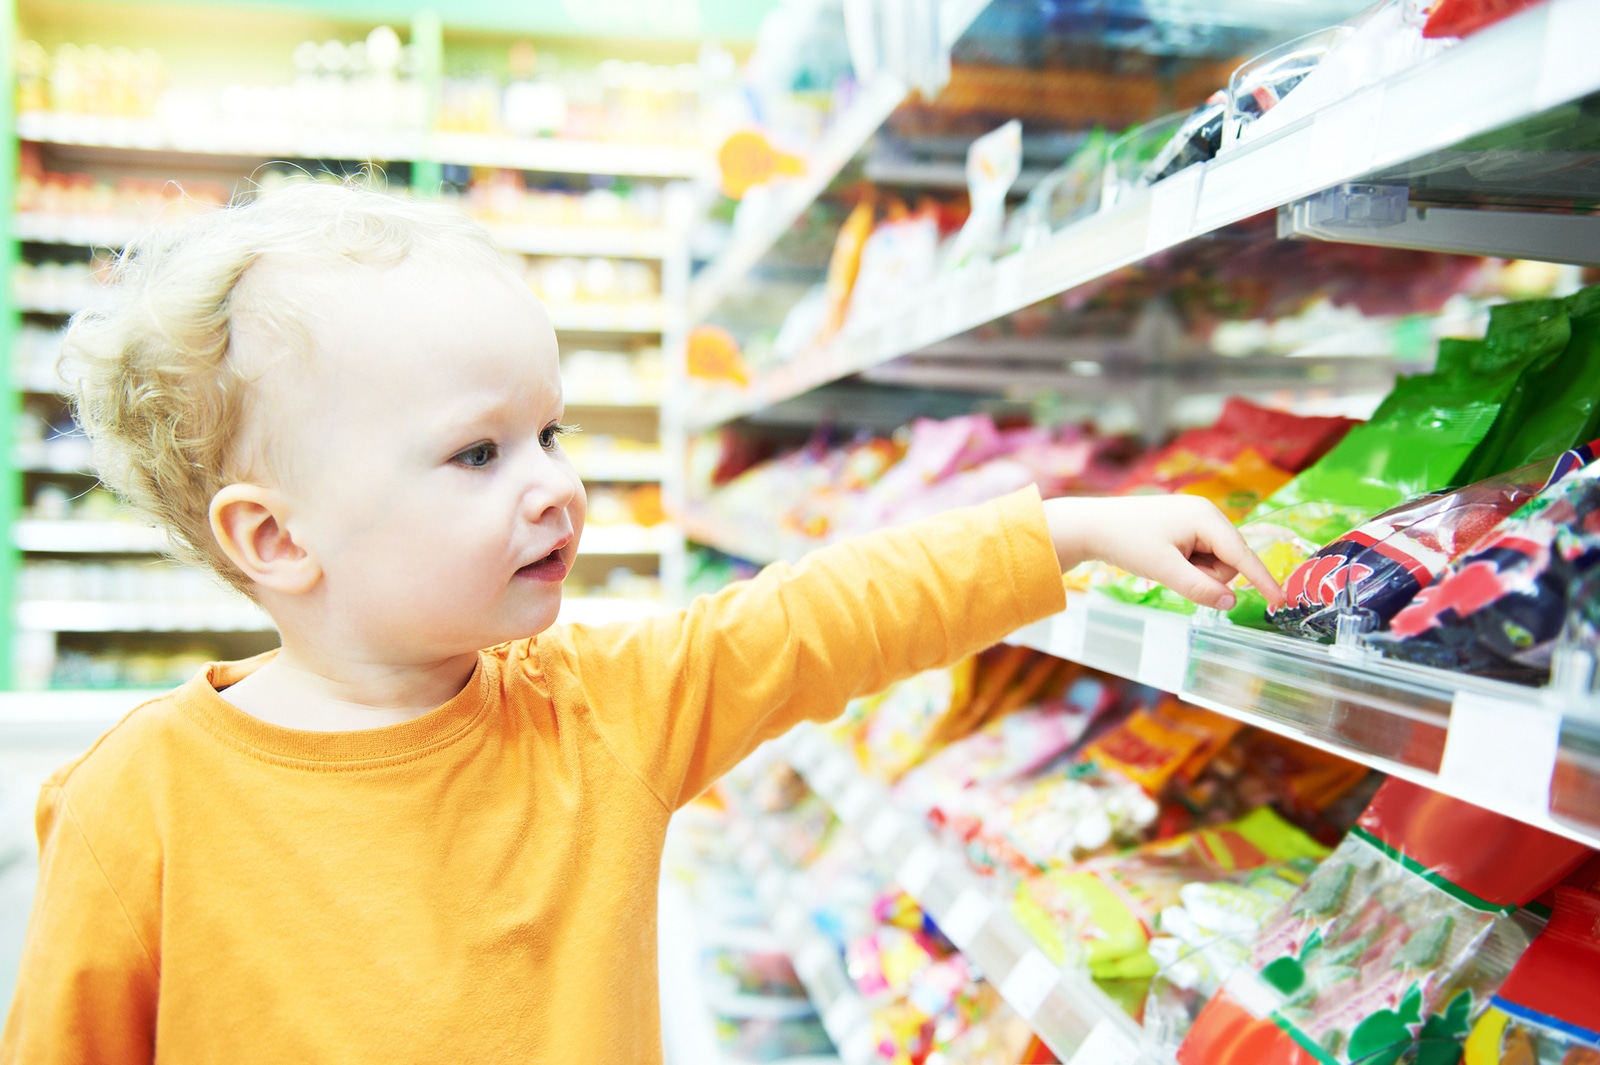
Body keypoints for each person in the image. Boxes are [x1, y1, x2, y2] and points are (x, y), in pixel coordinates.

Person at [0, 181, 1283, 1063]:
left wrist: (1057, 531)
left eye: (549, 433)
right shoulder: (136, 805)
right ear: (276, 539)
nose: (555, 482)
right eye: (476, 454)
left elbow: (823, 617)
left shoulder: (598, 711)